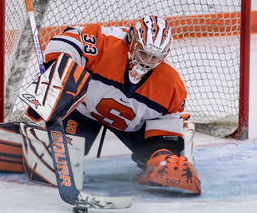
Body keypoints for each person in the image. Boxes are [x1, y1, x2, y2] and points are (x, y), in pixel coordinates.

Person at [36, 15, 201, 194]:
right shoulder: (105, 42)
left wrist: (166, 151)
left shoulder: (170, 84)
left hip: (132, 124)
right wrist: (57, 68)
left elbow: (167, 119)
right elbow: (70, 37)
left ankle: (184, 128)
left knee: (162, 163)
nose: (147, 62)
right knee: (59, 159)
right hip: (84, 110)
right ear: (131, 41)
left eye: (155, 57)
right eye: (143, 53)